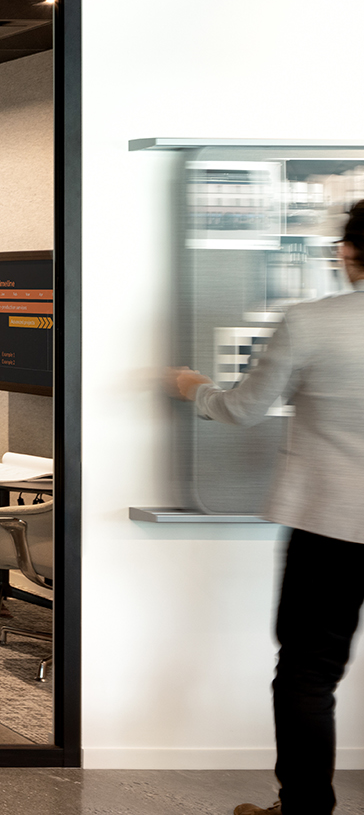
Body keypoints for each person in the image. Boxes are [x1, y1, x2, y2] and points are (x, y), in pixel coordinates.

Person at [170, 201, 364, 815]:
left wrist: (191, 387)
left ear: (349, 253)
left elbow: (242, 408)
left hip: (330, 524)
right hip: (329, 524)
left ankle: (305, 809)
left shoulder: (313, 322)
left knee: (309, 672)